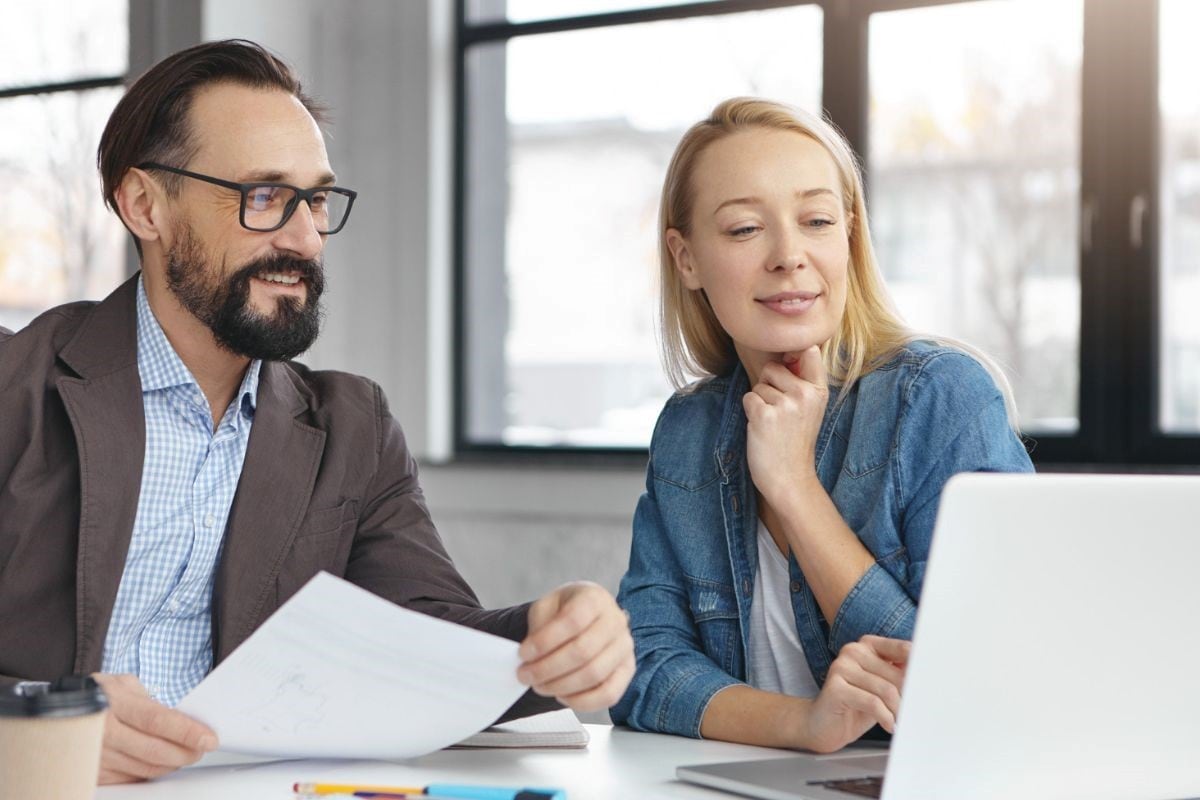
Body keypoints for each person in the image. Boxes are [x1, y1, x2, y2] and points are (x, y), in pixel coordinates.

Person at [0, 40, 633, 784]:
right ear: (146, 206)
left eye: (317, 199)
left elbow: (430, 640)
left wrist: (554, 636)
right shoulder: (17, 386)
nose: (303, 238)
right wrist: (37, 725)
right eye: (263, 197)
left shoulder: (352, 430)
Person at [609, 98, 1033, 753]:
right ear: (686, 257)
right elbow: (640, 670)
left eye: (816, 220)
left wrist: (794, 487)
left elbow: (985, 690)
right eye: (746, 229)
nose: (789, 255)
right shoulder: (688, 433)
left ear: (850, 237)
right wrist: (805, 726)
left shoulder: (939, 400)